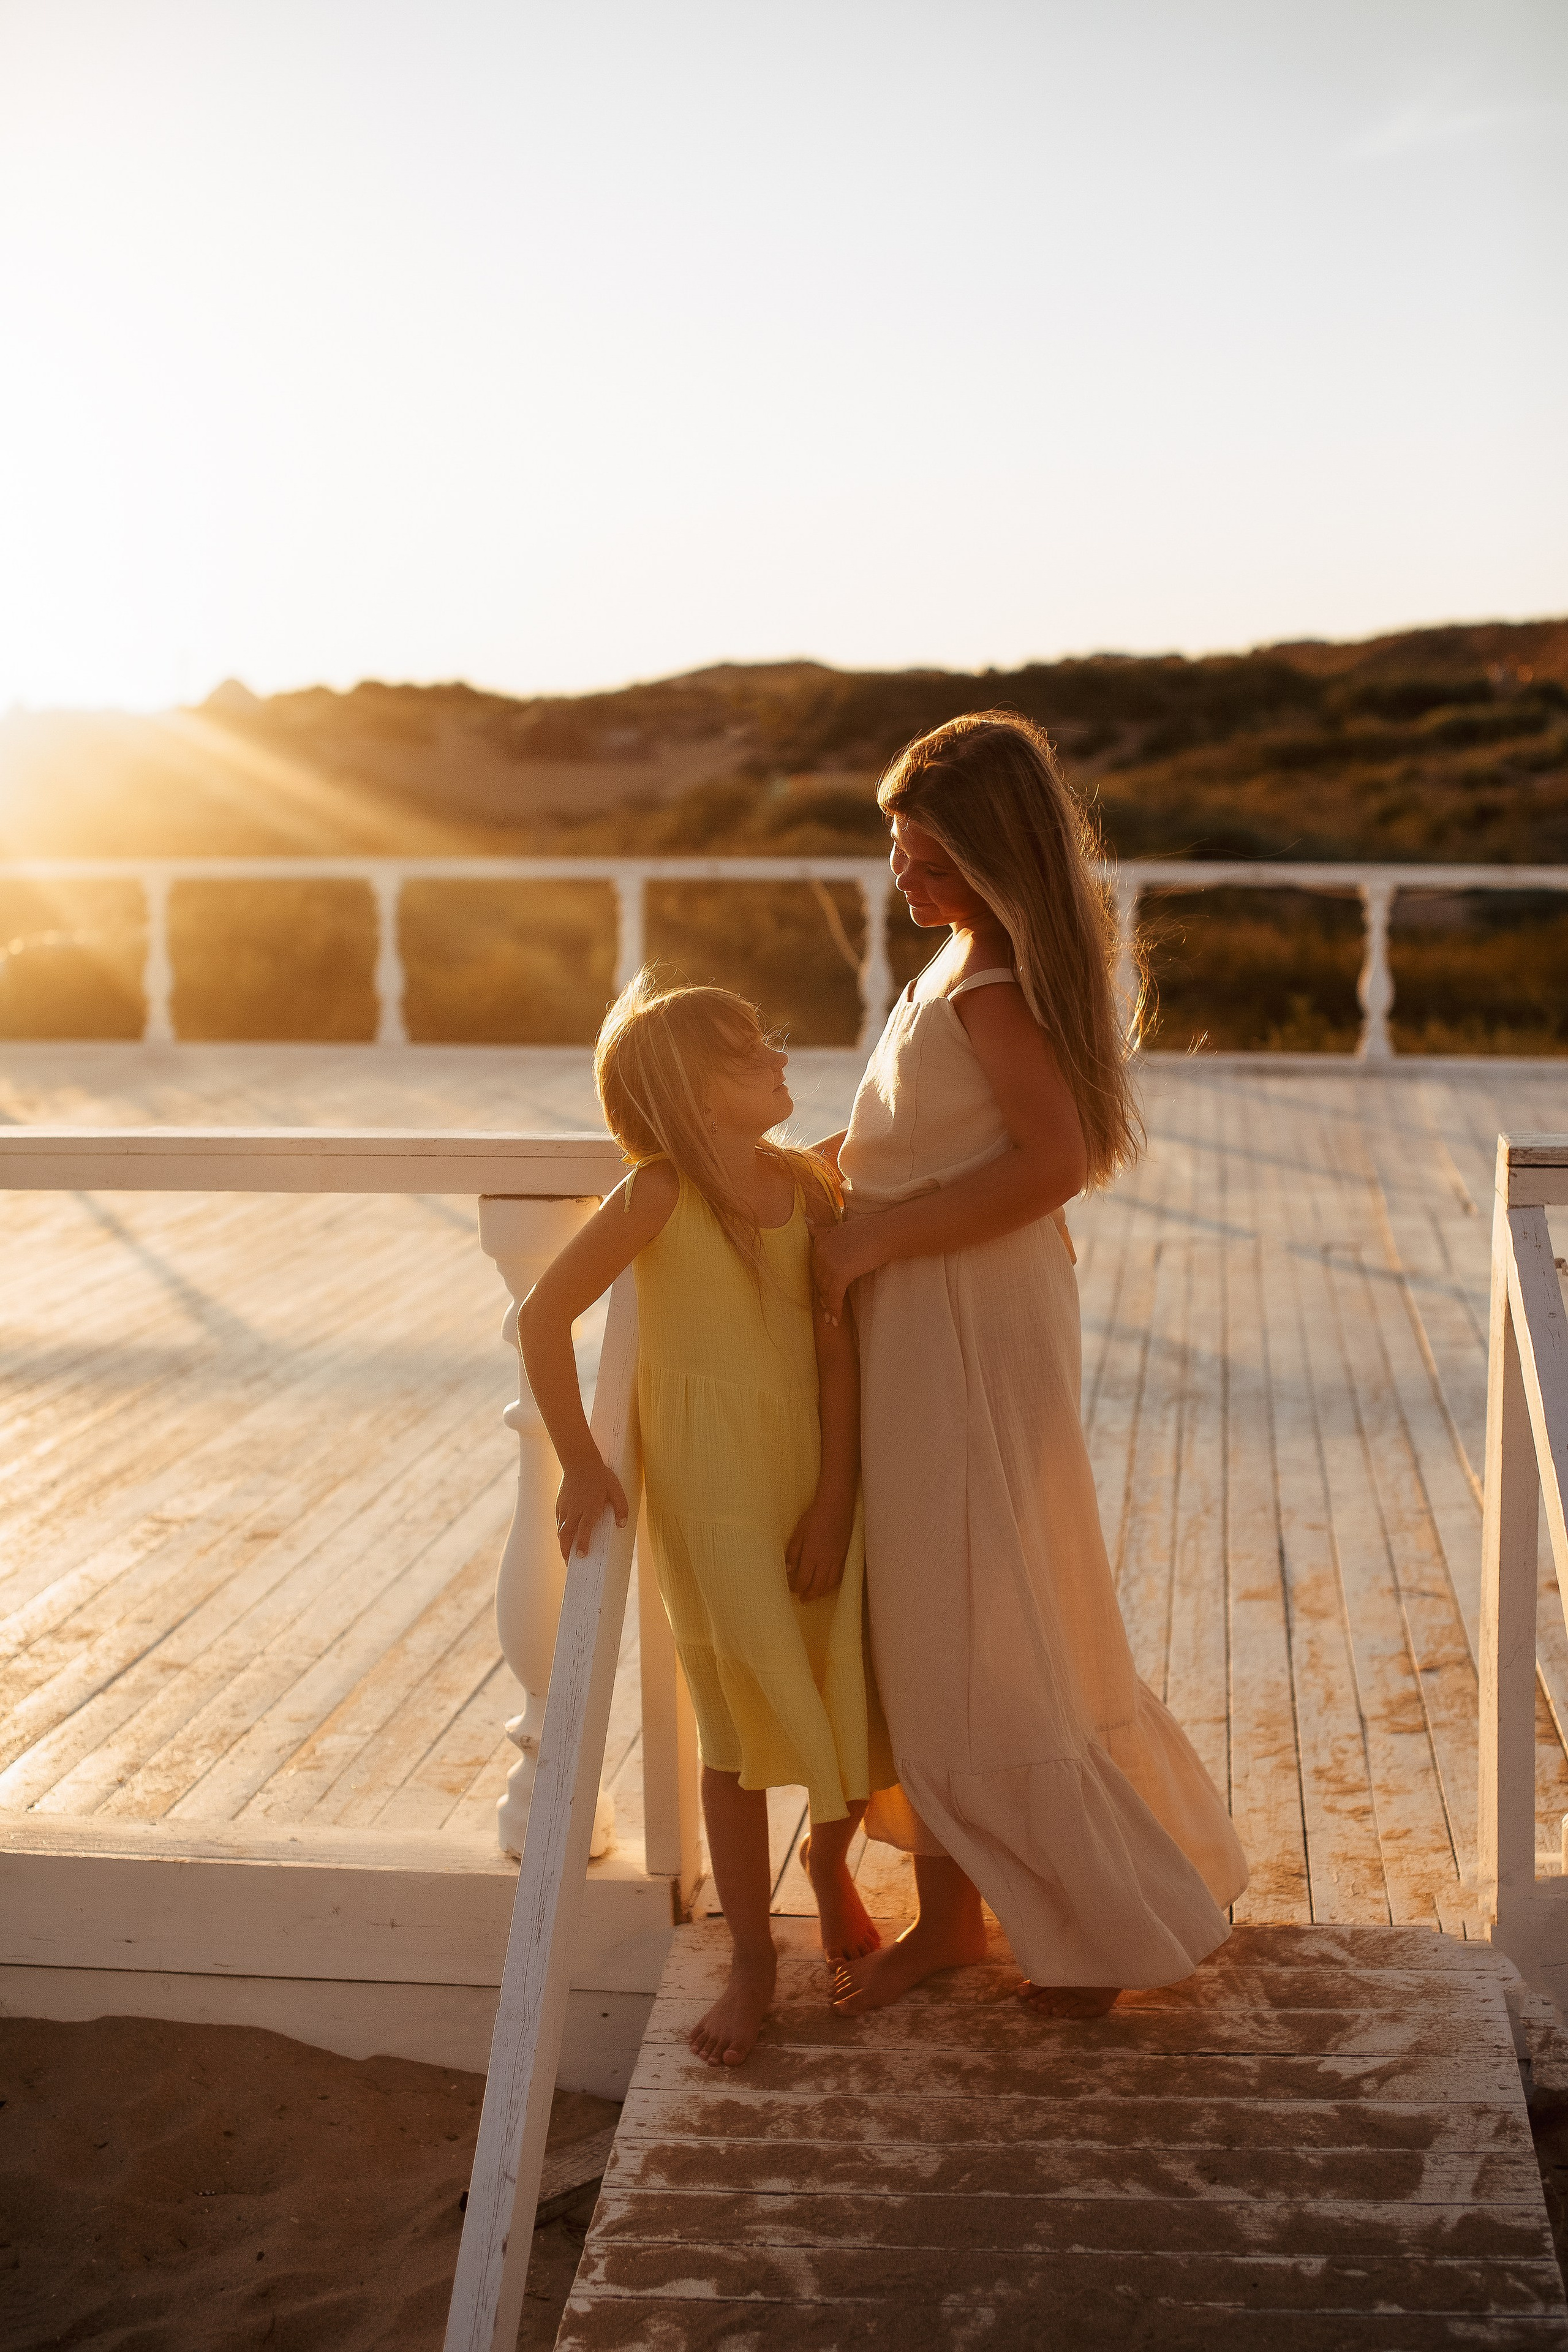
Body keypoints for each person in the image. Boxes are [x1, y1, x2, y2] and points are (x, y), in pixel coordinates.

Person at [810, 710, 1248, 2017]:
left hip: (964, 1321)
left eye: (929, 851)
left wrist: (872, 1236)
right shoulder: (948, 971)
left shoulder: (994, 990)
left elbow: (1053, 1163)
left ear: (995, 856)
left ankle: (1091, 1927)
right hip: (927, 1308)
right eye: (895, 846)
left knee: (976, 1614)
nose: (905, 873)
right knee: (941, 1623)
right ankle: (956, 1921)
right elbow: (906, 1140)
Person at [518, 971, 892, 2067]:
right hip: (715, 1501)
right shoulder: (656, 1195)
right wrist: (581, 1461)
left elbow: (836, 1349)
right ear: (692, 1088)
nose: (780, 1054)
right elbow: (539, 1317)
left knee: (843, 1680)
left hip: (815, 1482)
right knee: (732, 1731)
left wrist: (834, 1500)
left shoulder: (808, 1192)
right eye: (750, 1051)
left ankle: (827, 1868)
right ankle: (753, 1963)